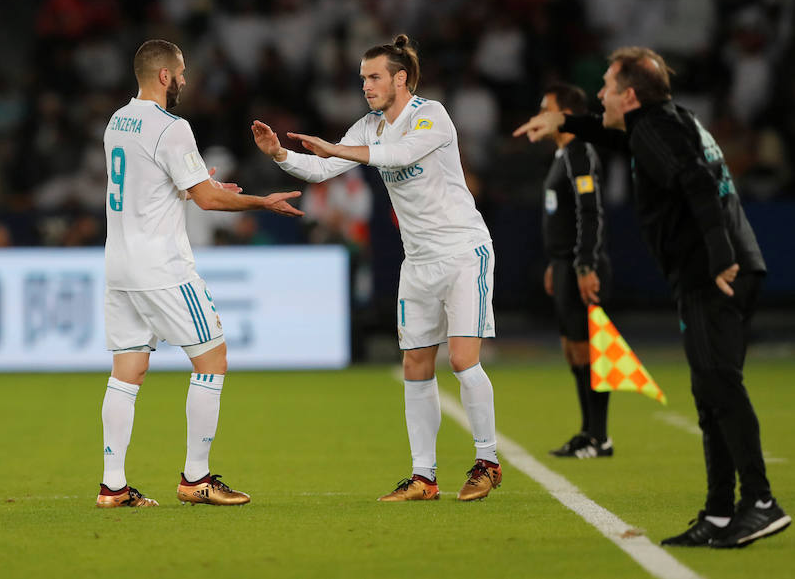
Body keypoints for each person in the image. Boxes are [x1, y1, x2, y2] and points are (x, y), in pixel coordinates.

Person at [514, 46, 790, 548]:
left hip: (717, 273)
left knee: (720, 387)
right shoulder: (662, 123)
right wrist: (564, 119)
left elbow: (699, 183)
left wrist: (721, 253)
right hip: (712, 271)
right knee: (709, 394)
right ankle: (721, 512)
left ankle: (761, 501)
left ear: (631, 95)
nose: (601, 95)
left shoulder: (657, 129)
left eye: (607, 87)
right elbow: (611, 133)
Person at [252, 34, 501, 502]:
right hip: (419, 261)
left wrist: (336, 150)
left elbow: (398, 155)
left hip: (464, 251)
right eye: (362, 78)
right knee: (415, 364)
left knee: (464, 361)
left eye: (374, 77)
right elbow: (323, 169)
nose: (365, 86)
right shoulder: (368, 126)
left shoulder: (432, 115)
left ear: (400, 78)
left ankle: (487, 461)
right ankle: (424, 477)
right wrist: (280, 156)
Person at [97, 39, 304, 508]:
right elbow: (209, 200)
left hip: (119, 263)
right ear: (165, 76)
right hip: (162, 265)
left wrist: (199, 185)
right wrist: (261, 201)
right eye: (182, 72)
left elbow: (156, 186)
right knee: (212, 361)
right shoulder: (171, 127)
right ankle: (197, 478)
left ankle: (113, 486)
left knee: (127, 371)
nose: (186, 80)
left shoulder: (117, 121)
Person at [536, 83, 613, 459]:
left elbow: (590, 210)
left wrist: (584, 264)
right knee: (574, 351)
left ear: (564, 112)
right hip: (565, 264)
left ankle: (600, 436)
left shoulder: (580, 151)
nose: (540, 112)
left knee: (591, 350)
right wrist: (557, 262)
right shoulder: (563, 155)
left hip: (582, 265)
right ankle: (588, 432)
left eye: (546, 106)